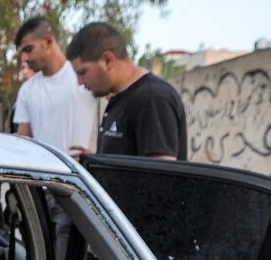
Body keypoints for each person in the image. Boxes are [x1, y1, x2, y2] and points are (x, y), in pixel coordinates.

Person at [12, 17, 96, 260]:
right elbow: (22, 141)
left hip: (72, 188)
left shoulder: (82, 76)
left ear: (48, 42)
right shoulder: (27, 90)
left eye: (28, 49)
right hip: (38, 190)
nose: (25, 58)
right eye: (21, 53)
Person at [65, 22, 187, 161]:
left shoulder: (153, 98)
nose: (80, 82)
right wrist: (98, 162)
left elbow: (161, 175)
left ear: (107, 60)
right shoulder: (120, 99)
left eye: (82, 72)